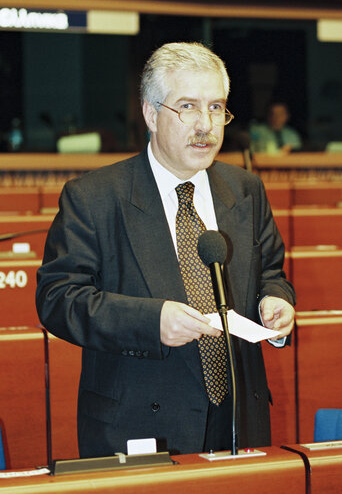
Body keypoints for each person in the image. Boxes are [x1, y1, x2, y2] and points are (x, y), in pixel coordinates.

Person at [36, 42, 295, 458]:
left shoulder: (246, 190)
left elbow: (271, 274)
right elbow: (58, 300)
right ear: (151, 114)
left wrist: (276, 300)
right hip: (139, 423)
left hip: (238, 424)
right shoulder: (94, 197)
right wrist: (150, 320)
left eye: (216, 107)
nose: (205, 126)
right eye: (188, 107)